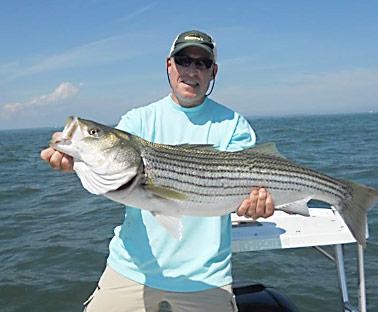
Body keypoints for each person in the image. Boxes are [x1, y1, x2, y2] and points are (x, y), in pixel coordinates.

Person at [41, 30, 274, 312]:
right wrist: (76, 158)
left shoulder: (234, 125)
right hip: (130, 269)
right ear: (169, 65)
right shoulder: (138, 120)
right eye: (183, 60)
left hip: (205, 278)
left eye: (201, 64)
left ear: (213, 72)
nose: (191, 70)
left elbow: (246, 188)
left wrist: (255, 205)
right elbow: (110, 164)